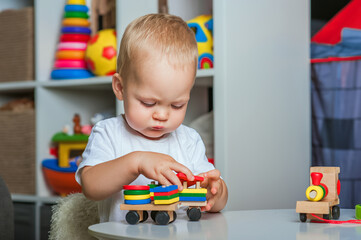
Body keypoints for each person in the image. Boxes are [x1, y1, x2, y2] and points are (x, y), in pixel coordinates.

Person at [76, 13, 228, 222]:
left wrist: (216, 192)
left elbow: (216, 203)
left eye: (177, 105)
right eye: (148, 103)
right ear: (120, 88)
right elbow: (90, 187)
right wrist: (136, 162)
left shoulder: (188, 140)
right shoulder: (108, 133)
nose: (162, 115)